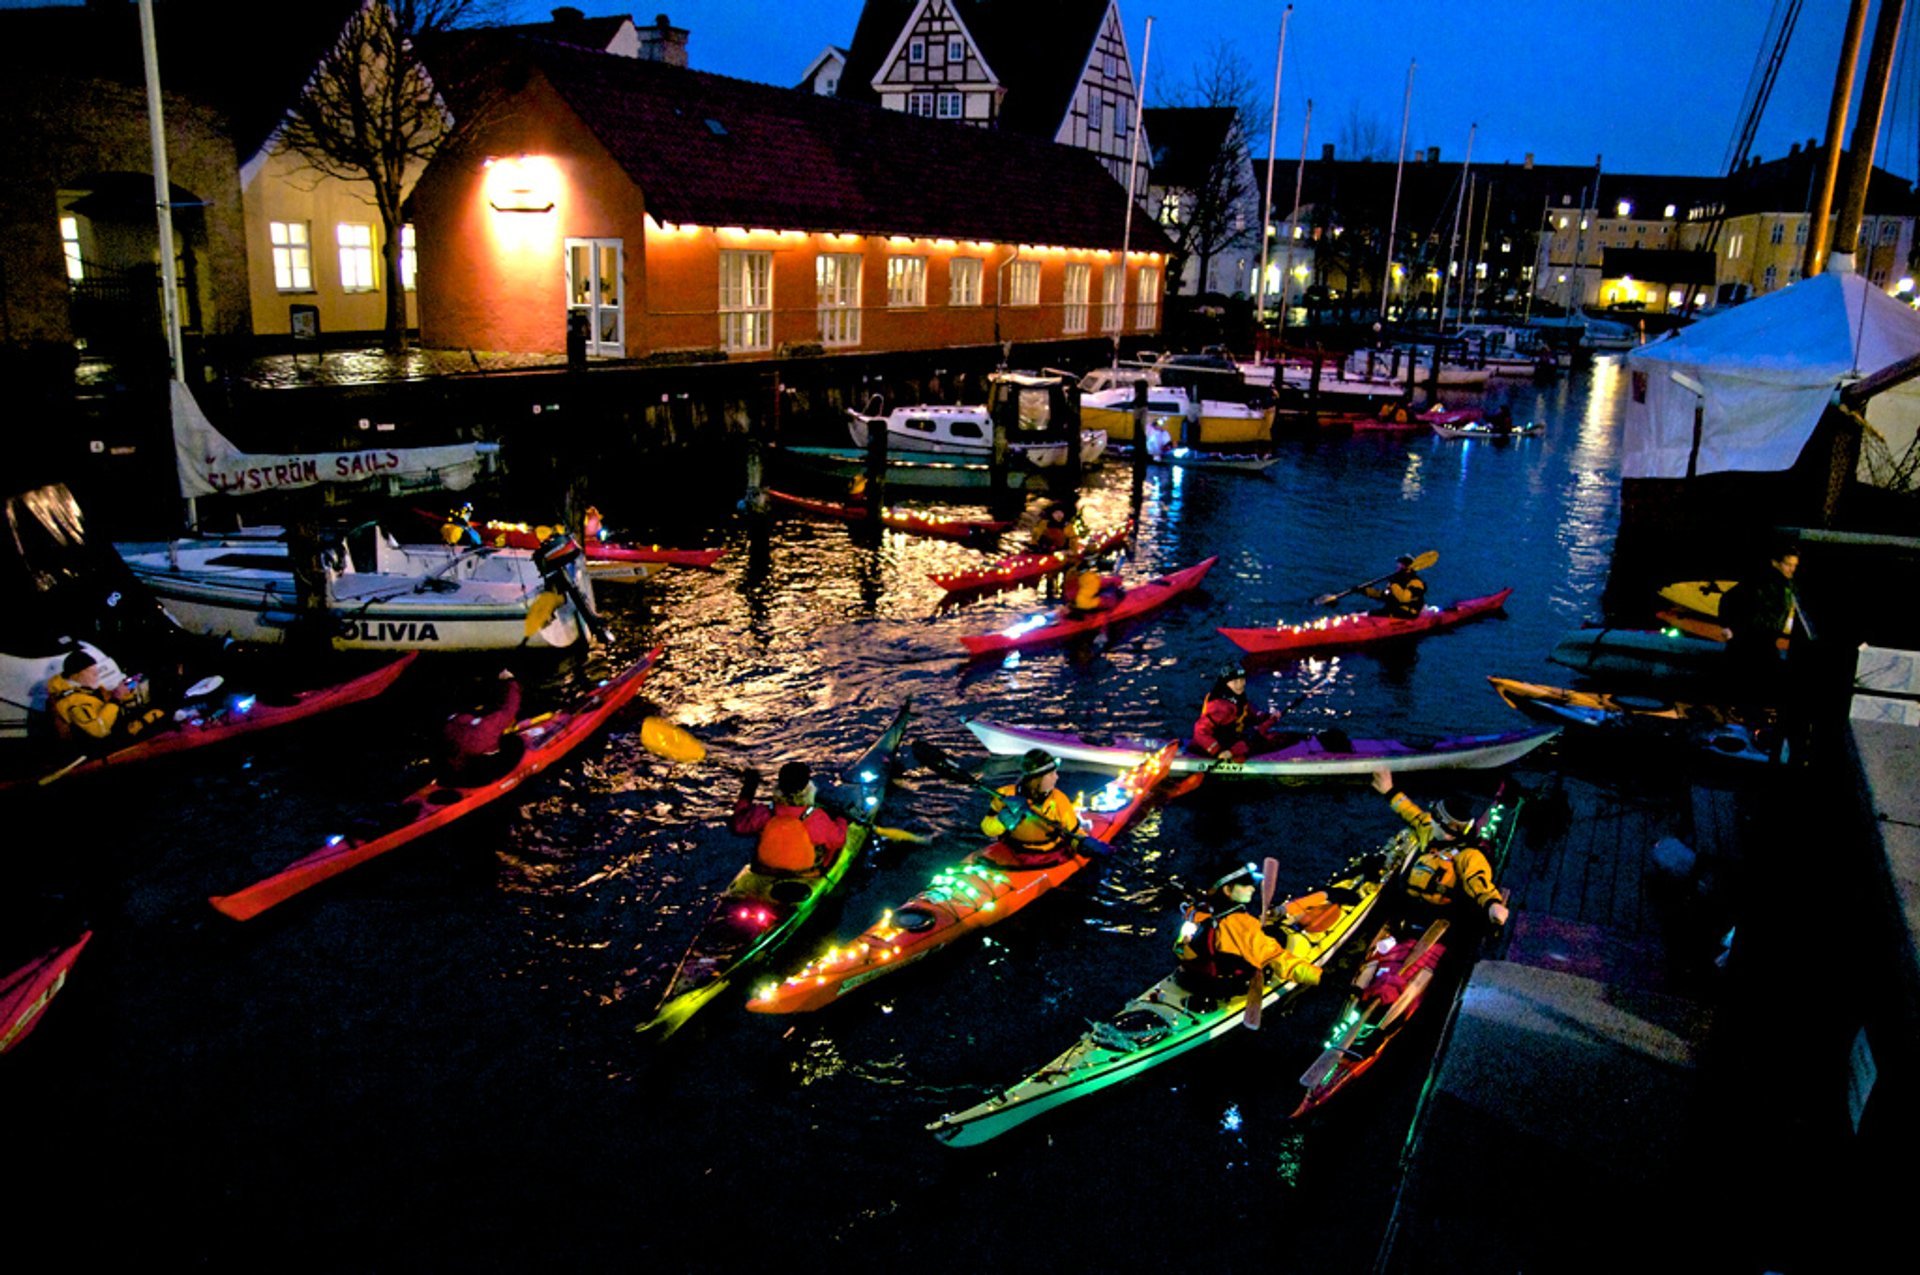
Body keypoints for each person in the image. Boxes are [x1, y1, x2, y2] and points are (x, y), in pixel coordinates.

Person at [1370, 768, 1509, 928]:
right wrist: (1389, 790)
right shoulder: (1431, 833)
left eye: (1435, 819)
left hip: (1436, 919)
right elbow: (1411, 813)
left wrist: (1493, 904)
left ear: (1448, 832)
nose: (1430, 819)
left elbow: (1478, 882)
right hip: (1408, 907)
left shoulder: (1469, 856)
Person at [1173, 863, 1324, 996]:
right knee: (1280, 937)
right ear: (1227, 889)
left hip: (1192, 978)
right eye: (1246, 885)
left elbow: (1181, 947)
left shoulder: (1196, 911)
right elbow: (1276, 958)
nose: (1253, 888)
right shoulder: (1241, 924)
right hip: (1227, 985)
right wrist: (1319, 977)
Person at [731, 760, 849, 877]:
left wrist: (748, 790)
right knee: (833, 848)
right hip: (805, 871)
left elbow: (738, 825)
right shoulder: (816, 818)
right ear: (808, 788)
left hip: (767, 868)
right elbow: (838, 840)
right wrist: (841, 819)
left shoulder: (764, 813)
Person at [980, 748, 1083, 867]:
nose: (1056, 777)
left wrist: (1083, 844)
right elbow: (987, 829)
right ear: (1036, 779)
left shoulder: (1059, 800)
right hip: (1013, 851)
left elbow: (1074, 833)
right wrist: (1000, 821)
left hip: (1048, 855)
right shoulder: (1005, 795)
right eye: (1051, 774)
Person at [1192, 663, 1315, 760]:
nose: (1240, 685)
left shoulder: (1237, 697)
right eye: (1235, 681)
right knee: (1256, 740)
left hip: (1234, 738)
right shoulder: (1219, 706)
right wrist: (1218, 751)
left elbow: (1250, 714)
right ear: (1225, 683)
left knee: (1266, 736)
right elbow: (1200, 730)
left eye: (1242, 680)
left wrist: (1267, 717)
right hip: (1221, 746)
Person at [46, 647, 165, 747]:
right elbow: (99, 730)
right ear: (76, 675)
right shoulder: (73, 703)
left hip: (114, 727)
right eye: (93, 673)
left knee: (156, 708)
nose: (97, 676)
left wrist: (124, 691)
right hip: (105, 743)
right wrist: (116, 699)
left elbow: (107, 699)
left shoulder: (84, 688)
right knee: (158, 715)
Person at [1718, 539, 1798, 669]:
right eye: (1788, 565)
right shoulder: (1760, 581)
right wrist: (1726, 627)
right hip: (1748, 640)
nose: (1792, 569)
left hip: (1766, 640)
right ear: (1775, 563)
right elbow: (1728, 598)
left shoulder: (1787, 585)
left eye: (1794, 565)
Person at [440, 669, 525, 785]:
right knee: (516, 743)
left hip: (458, 771)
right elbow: (511, 707)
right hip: (483, 775)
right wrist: (510, 681)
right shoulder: (490, 723)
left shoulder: (449, 726)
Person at [1356, 553, 1428, 619]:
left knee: (1367, 614)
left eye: (1401, 564)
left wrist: (1393, 584)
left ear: (1406, 567)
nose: (1398, 566)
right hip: (1393, 611)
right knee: (1360, 613)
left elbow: (1403, 598)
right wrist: (1364, 591)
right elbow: (1385, 595)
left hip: (1407, 614)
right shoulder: (1399, 580)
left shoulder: (1416, 583)